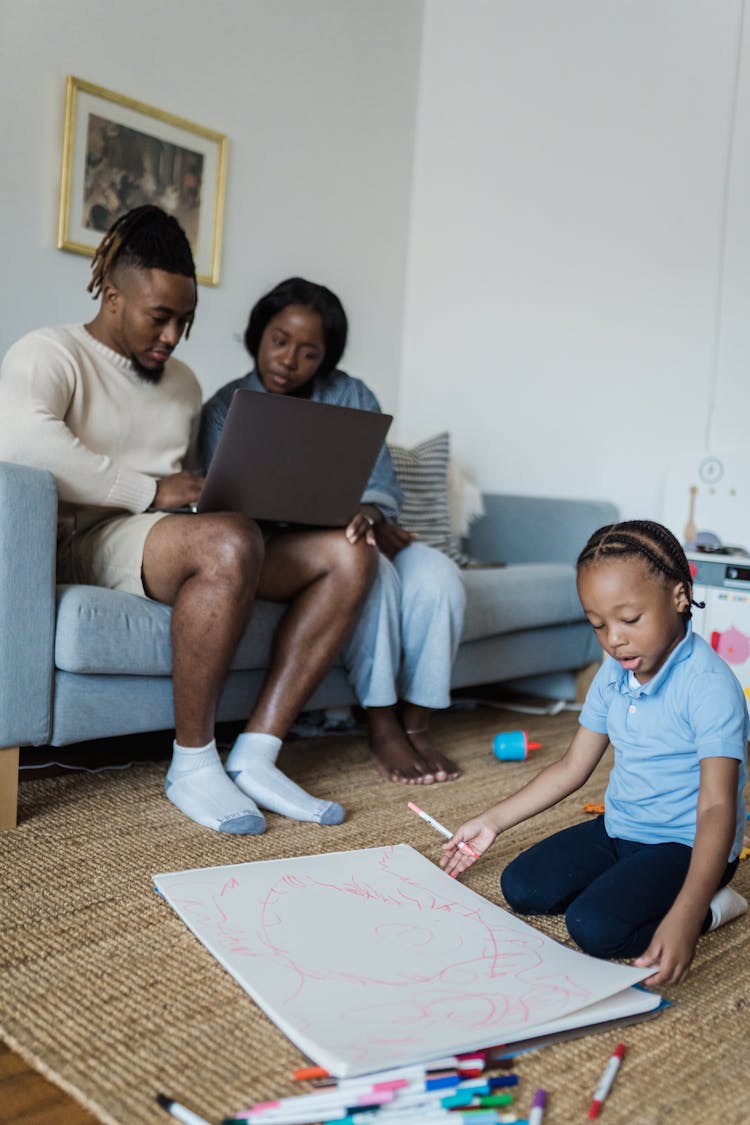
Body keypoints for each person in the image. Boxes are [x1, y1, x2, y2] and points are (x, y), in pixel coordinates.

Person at [0, 208, 379, 834]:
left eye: (186, 321)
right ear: (113, 295)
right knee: (228, 542)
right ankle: (194, 762)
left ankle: (257, 754)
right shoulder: (51, 353)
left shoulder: (182, 383)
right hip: (83, 541)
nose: (173, 336)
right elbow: (21, 445)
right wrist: (148, 489)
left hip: (168, 538)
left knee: (346, 554)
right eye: (160, 318)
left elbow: (209, 485)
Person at [441, 520, 748, 986]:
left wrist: (687, 914)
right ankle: (634, 882)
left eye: (630, 620)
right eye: (598, 625)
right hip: (620, 827)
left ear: (679, 596)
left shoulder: (709, 688)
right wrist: (492, 821)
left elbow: (718, 806)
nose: (614, 639)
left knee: (594, 927)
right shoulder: (614, 673)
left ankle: (715, 907)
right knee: (521, 887)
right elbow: (572, 767)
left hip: (685, 844)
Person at [201, 277, 466, 785]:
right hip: (295, 545)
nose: (287, 359)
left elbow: (381, 484)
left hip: (359, 528)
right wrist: (347, 519)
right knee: (363, 560)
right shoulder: (225, 407)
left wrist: (371, 512)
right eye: (278, 341)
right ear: (258, 333)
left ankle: (419, 721)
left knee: (438, 574)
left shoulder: (351, 394)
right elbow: (225, 508)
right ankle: (381, 720)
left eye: (308, 352)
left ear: (326, 357)